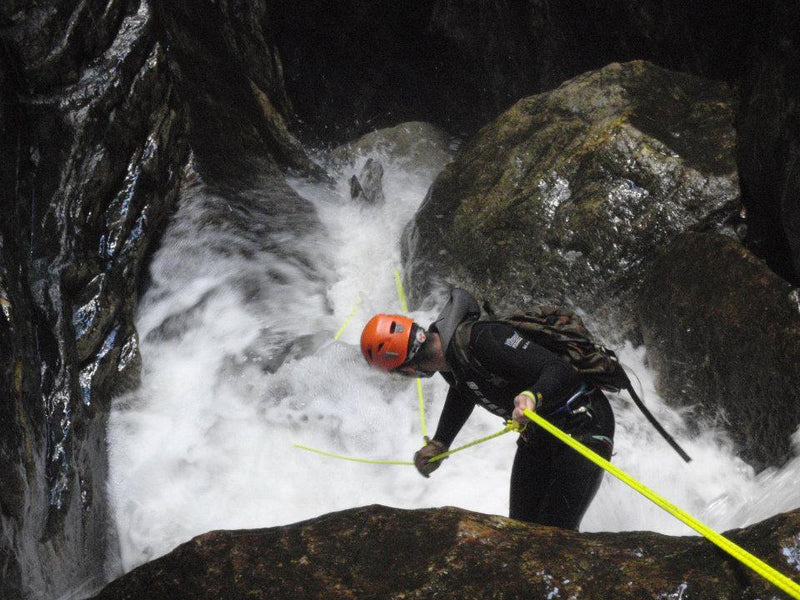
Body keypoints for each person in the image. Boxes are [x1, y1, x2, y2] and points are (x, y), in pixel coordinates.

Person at [359, 288, 615, 530]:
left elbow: (560, 370)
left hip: (584, 423)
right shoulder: (451, 362)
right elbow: (463, 391)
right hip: (539, 434)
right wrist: (440, 442)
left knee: (556, 532)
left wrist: (532, 396)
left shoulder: (484, 339)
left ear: (407, 369)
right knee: (522, 529)